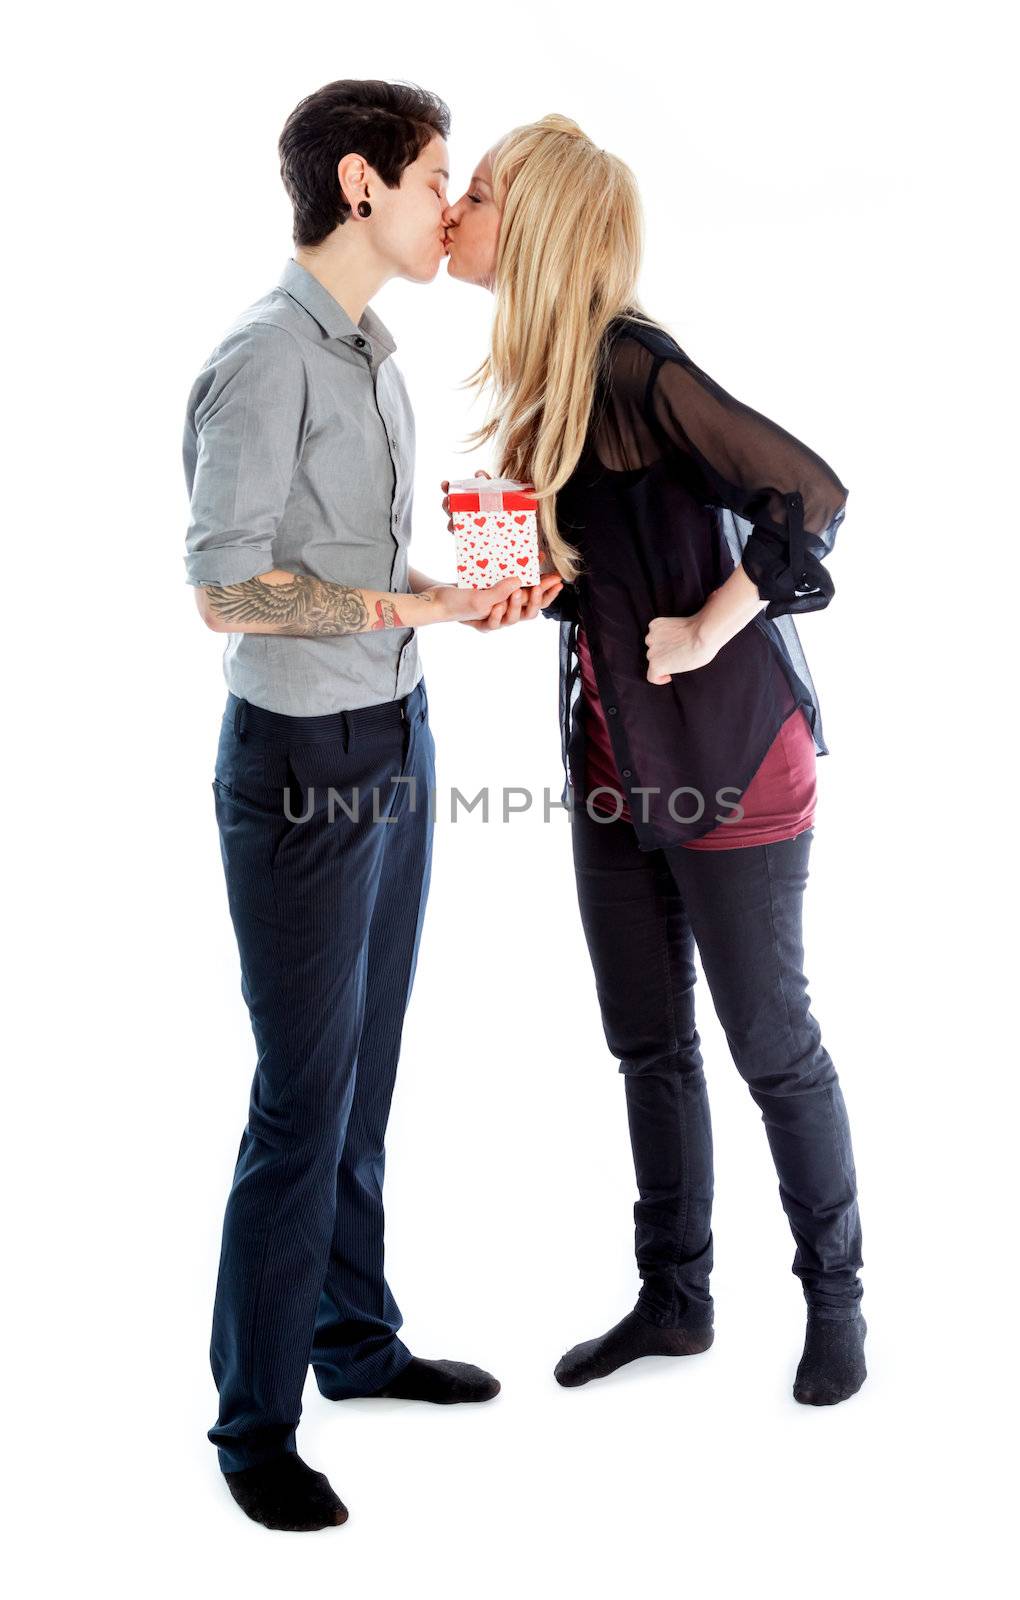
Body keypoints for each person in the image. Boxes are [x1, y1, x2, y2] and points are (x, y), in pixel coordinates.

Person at [439, 114, 867, 1407]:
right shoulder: (540, 385)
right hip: (617, 764)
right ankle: (675, 1300)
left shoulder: (633, 366)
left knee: (770, 1046)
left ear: (542, 221)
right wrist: (512, 583)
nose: (456, 204)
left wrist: (713, 620)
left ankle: (836, 1299)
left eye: (481, 188)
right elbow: (572, 586)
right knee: (647, 1046)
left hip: (734, 762)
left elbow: (815, 495)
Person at [182, 79, 559, 1533]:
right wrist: (405, 597)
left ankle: (353, 1339)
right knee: (300, 1097)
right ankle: (252, 1424)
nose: (450, 206)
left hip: (394, 733)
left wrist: (456, 599)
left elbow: (344, 559)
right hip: (299, 769)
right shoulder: (266, 358)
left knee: (367, 1070)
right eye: (435, 179)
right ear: (359, 185)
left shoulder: (378, 360)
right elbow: (224, 585)